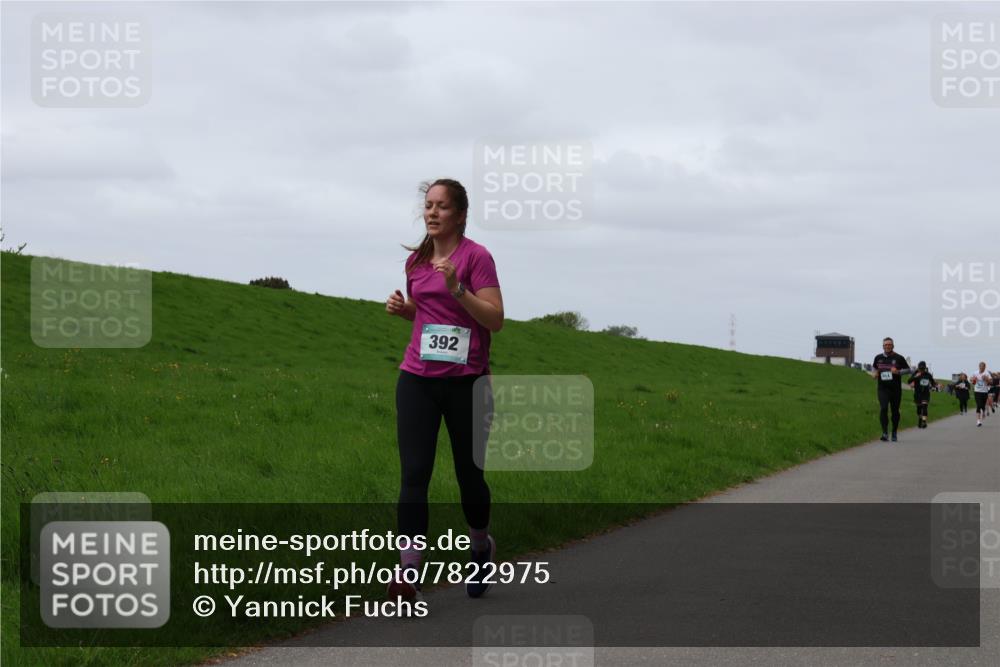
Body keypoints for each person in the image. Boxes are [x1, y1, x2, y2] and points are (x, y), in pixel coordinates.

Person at [385, 178, 504, 600]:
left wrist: (457, 287)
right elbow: (430, 316)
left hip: (467, 383)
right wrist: (407, 311)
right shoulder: (417, 260)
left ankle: (480, 547)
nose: (432, 213)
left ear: (461, 215)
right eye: (428, 206)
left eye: (441, 207)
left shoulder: (477, 258)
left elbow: (493, 319)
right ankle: (408, 573)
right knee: (414, 475)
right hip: (417, 378)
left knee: (469, 478)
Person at [871, 337, 910, 442]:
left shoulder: (899, 358)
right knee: (883, 408)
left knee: (895, 411)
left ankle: (894, 432)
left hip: (895, 389)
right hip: (882, 388)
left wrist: (898, 371)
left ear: (893, 346)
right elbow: (874, 367)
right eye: (885, 345)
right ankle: (884, 433)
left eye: (889, 344)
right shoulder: (878, 357)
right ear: (883, 346)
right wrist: (874, 373)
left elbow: (908, 370)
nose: (887, 346)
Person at [907, 361, 937, 429]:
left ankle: (924, 421)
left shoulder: (928, 375)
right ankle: (920, 419)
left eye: (923, 369)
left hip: (925, 394)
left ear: (925, 368)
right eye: (920, 369)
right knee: (919, 409)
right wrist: (915, 377)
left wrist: (934, 385)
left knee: (924, 406)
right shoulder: (915, 373)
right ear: (918, 368)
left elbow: (933, 383)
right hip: (917, 394)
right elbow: (909, 381)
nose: (921, 370)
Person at [971, 362, 992, 427]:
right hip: (977, 391)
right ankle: (978, 421)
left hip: (984, 392)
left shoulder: (987, 373)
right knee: (978, 405)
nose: (981, 368)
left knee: (982, 405)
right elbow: (971, 380)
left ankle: (983, 411)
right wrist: (973, 379)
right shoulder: (975, 373)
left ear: (985, 367)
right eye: (980, 367)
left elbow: (991, 382)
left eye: (983, 367)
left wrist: (986, 379)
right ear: (979, 366)